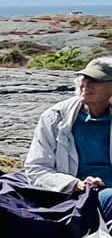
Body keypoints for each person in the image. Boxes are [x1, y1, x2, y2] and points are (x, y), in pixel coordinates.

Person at [22, 55, 112, 222]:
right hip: (76, 195)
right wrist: (76, 184)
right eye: (84, 78)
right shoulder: (55, 117)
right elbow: (37, 169)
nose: (86, 84)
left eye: (96, 80)